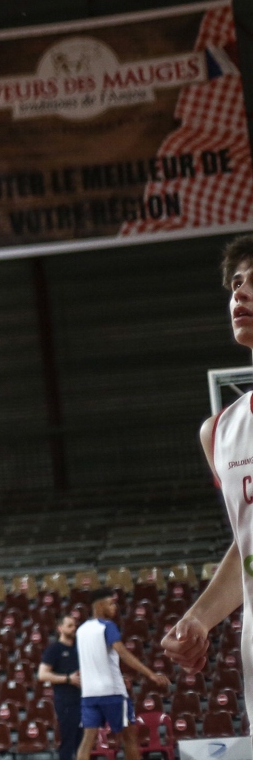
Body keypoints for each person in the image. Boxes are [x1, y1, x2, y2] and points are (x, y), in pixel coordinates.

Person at [162, 235, 253, 698]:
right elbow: (249, 548)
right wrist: (198, 618)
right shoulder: (218, 432)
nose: (240, 293)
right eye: (237, 284)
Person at [74, 589, 167, 760]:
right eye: (110, 603)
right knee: (130, 738)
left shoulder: (81, 630)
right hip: (113, 693)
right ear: (100, 605)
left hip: (89, 694)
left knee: (87, 742)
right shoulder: (108, 626)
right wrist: (150, 674)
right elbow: (123, 653)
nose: (114, 607)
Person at [37, 610, 83, 760]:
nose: (73, 628)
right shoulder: (54, 649)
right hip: (66, 702)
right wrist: (67, 679)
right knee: (68, 741)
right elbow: (42, 674)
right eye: (69, 626)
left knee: (83, 742)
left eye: (74, 625)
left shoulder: (79, 647)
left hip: (82, 700)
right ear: (60, 628)